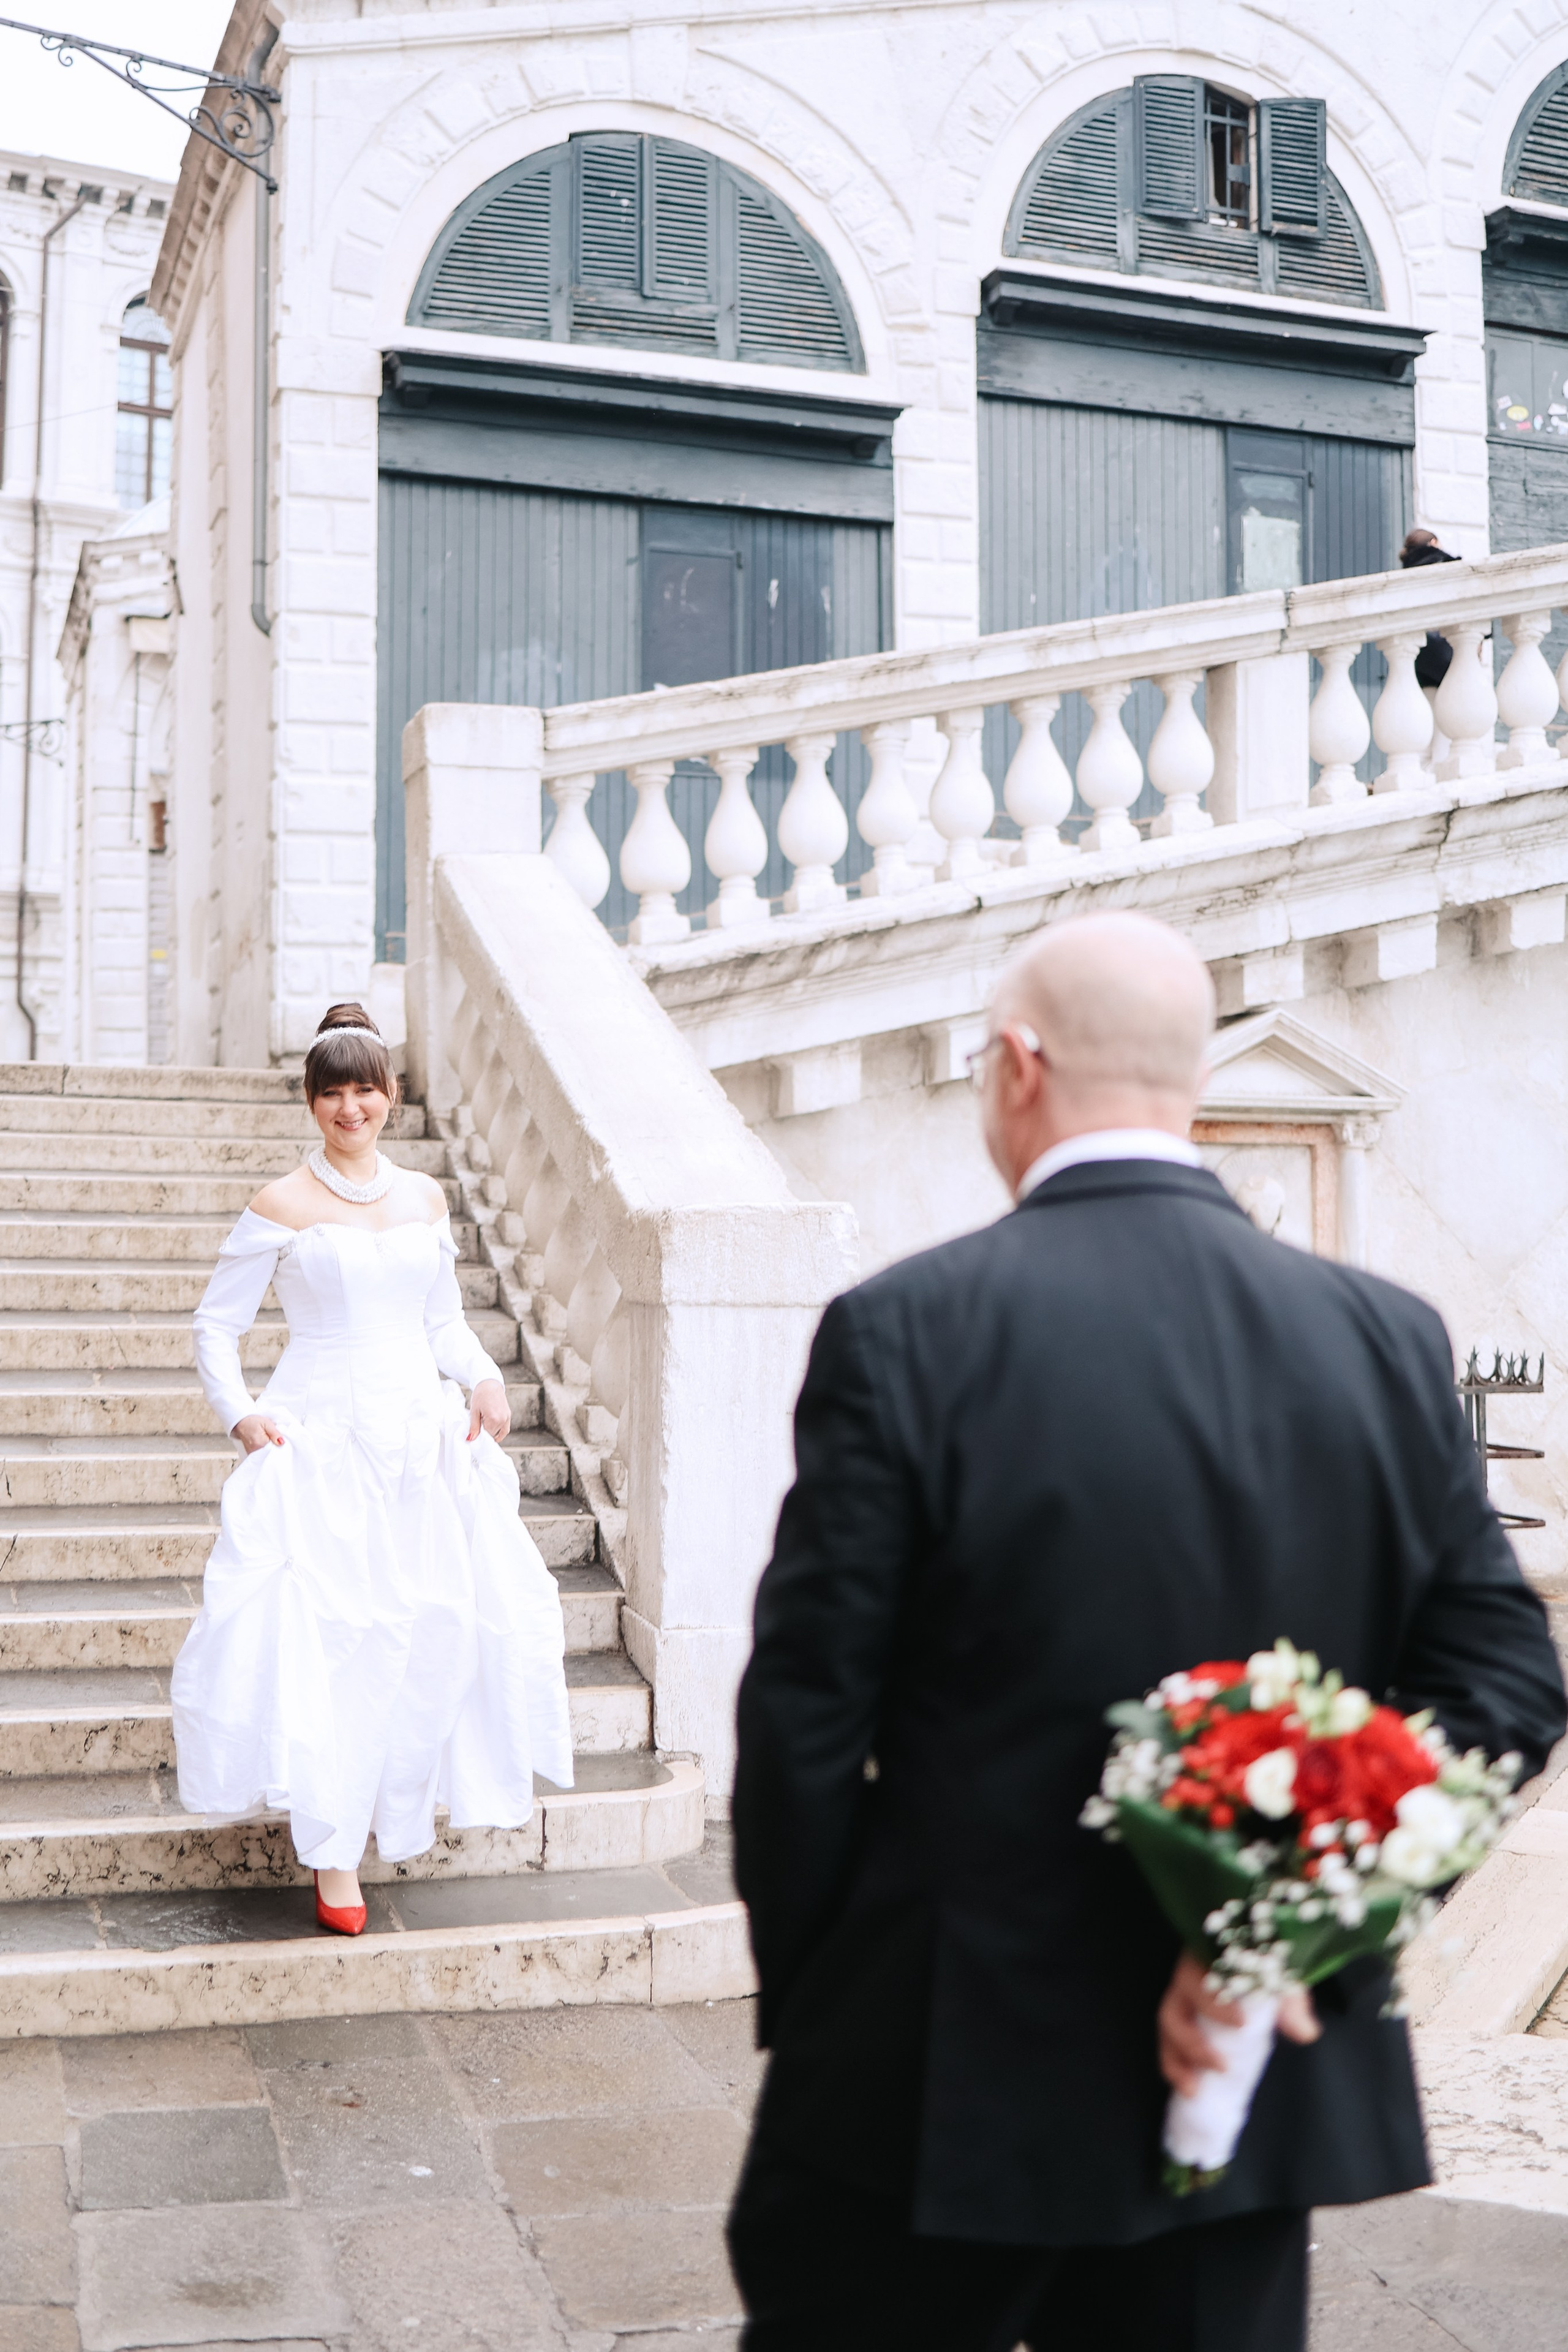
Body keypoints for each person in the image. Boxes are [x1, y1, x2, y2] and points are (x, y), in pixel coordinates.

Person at [727, 911, 1566, 2352]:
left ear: (1014, 1065)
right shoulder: (1381, 1333)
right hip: (1240, 2085)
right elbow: (1505, 1680)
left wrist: (820, 2010)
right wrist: (1282, 1936)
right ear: (1190, 1077)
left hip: (938, 2064)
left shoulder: (904, 1327)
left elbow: (803, 1725)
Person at [172, 1003, 572, 1934]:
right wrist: (243, 1414)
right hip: (317, 1444)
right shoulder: (279, 1204)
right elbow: (215, 1326)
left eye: (366, 1089)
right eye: (332, 1093)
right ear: (312, 1102)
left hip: (418, 1445)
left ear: (390, 1095)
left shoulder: (425, 1199)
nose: (350, 1108)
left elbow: (441, 1321)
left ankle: (390, 1803)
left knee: (419, 1632)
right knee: (335, 1639)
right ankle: (334, 1852)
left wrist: (481, 1378)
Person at [1399, 526, 1460, 689]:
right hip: (1446, 648)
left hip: (1417, 653)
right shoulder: (1447, 564)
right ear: (1433, 542)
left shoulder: (1403, 577)